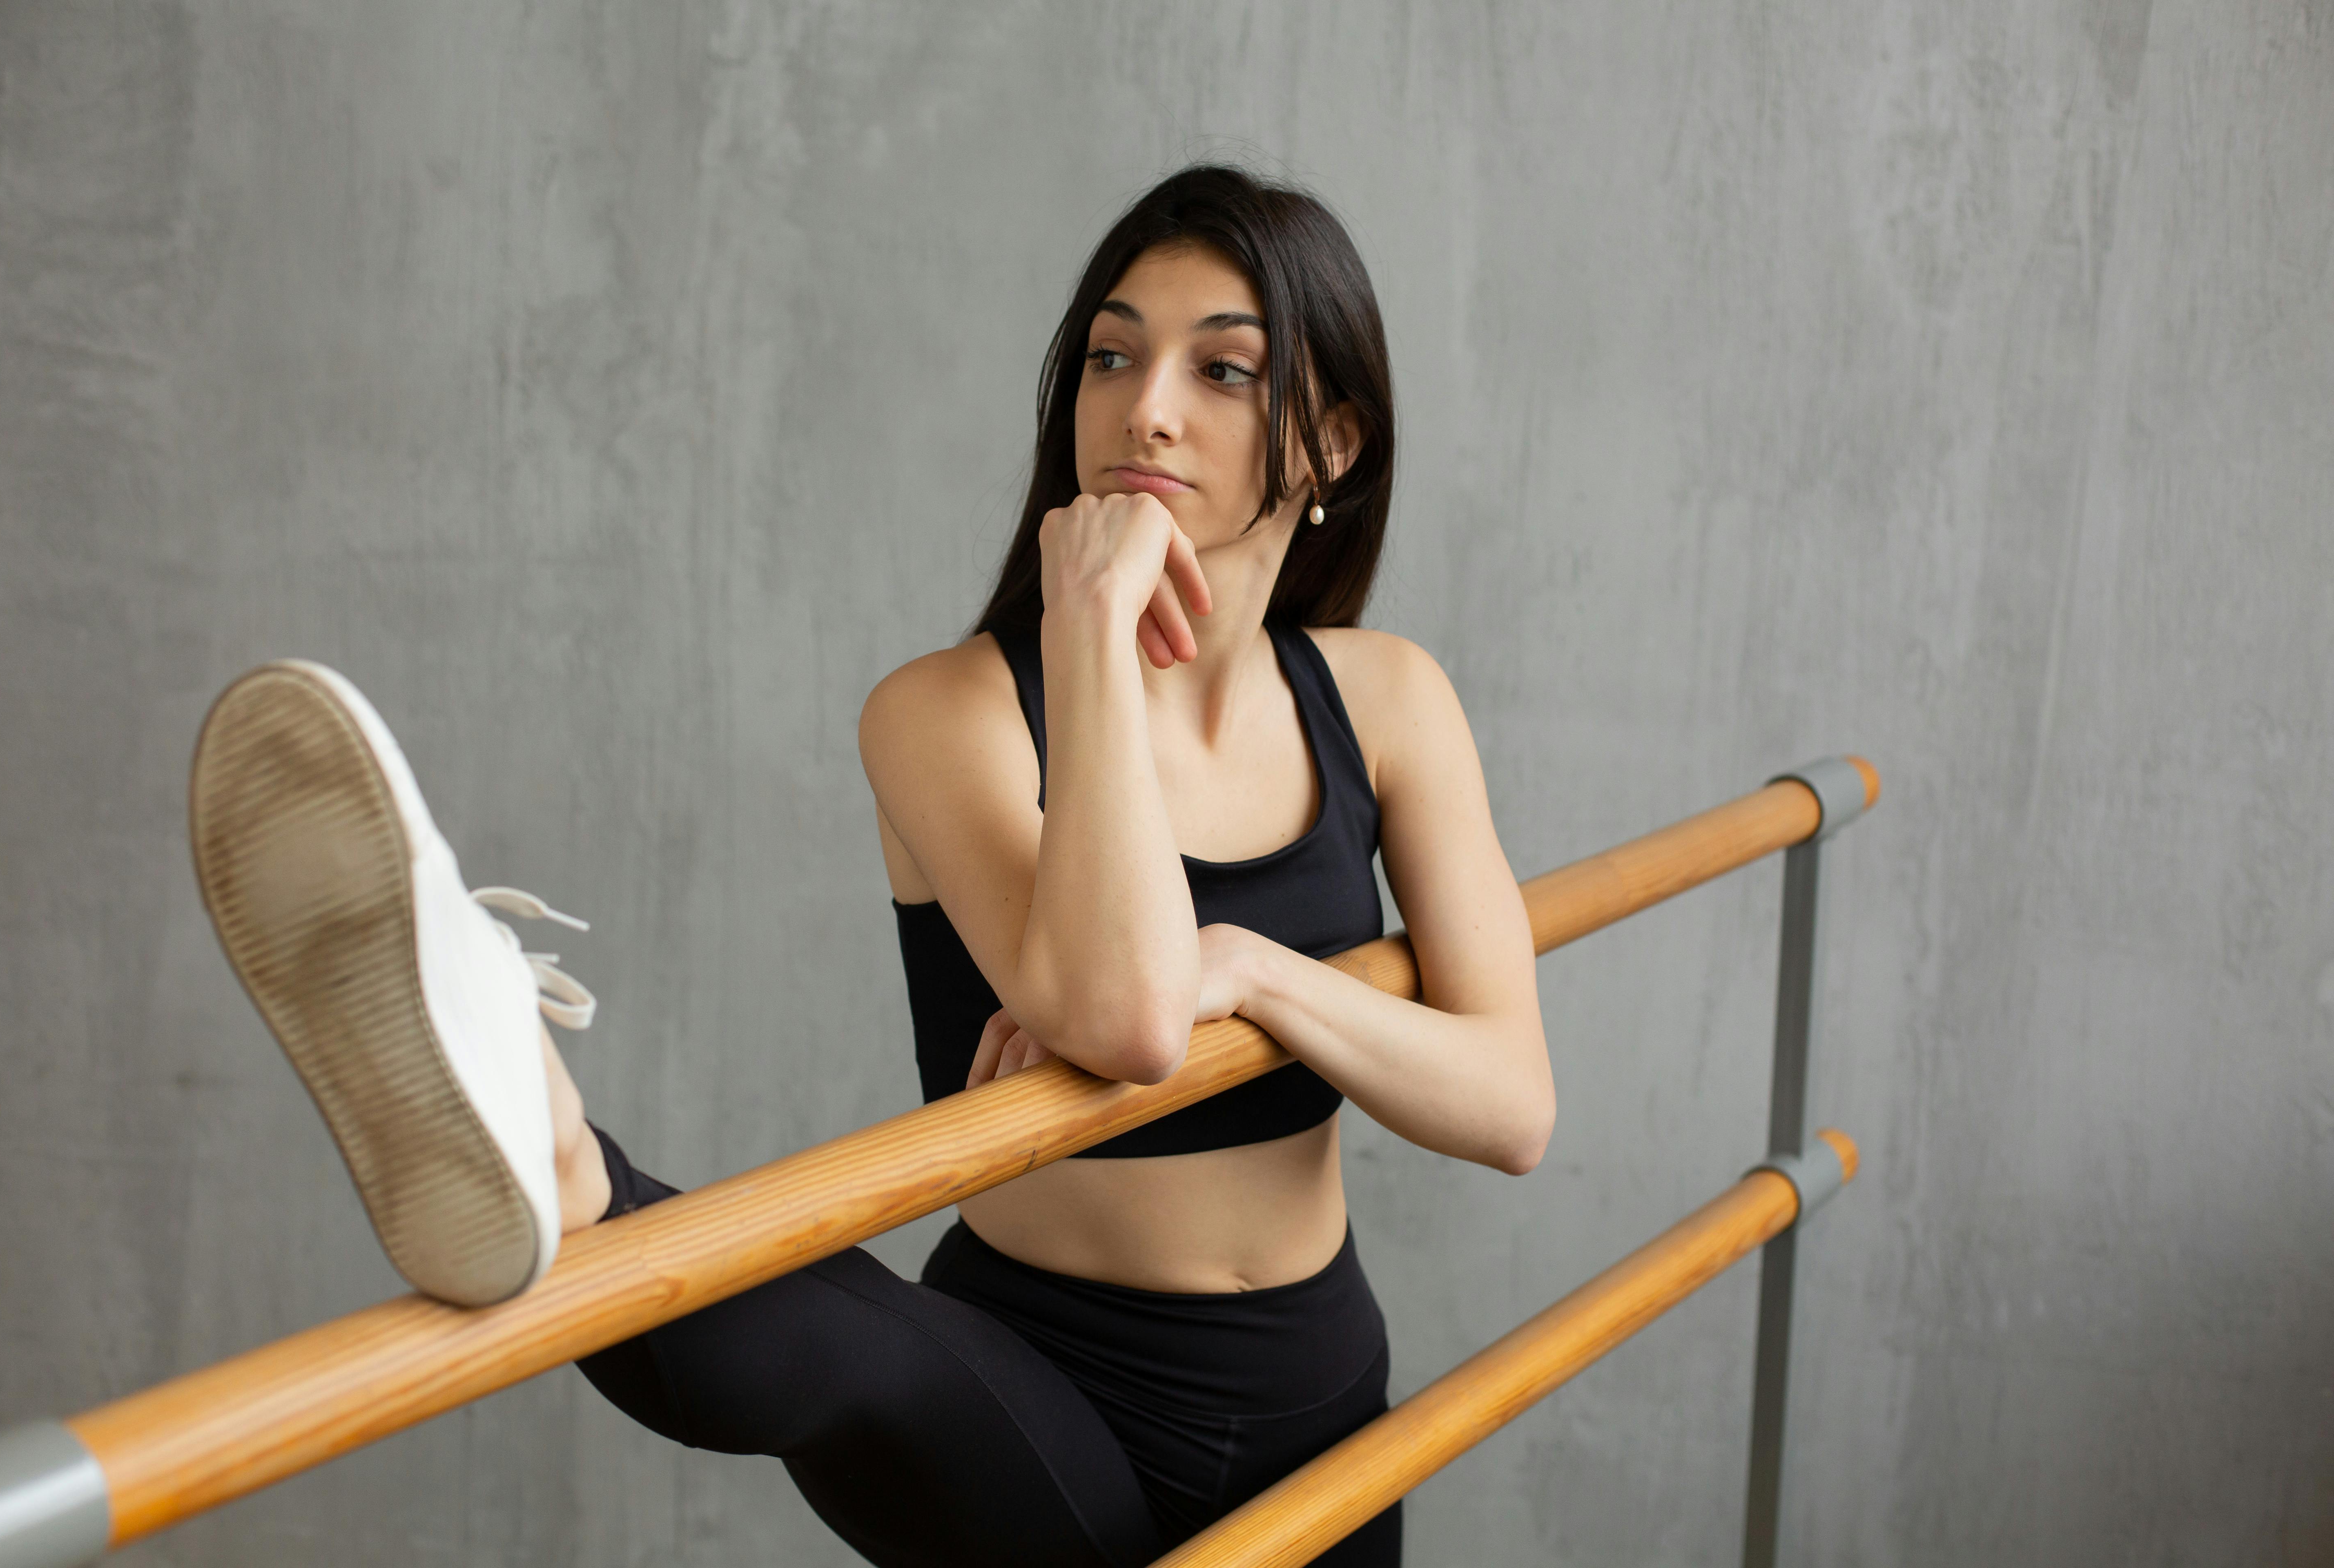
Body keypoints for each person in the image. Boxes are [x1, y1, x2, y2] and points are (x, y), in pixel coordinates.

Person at [186, 165, 1554, 1568]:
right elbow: (1130, 1018)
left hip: (1317, 1388)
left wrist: (1256, 969)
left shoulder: (1386, 700)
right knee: (845, 1368)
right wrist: (1088, 631)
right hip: (1033, 1372)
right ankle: (549, 1150)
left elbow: (1512, 1106)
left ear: (1328, 442)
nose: (1145, 406)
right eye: (1112, 353)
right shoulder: (945, 712)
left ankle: (541, 1134)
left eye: (1224, 370)